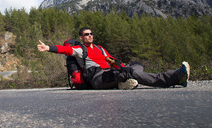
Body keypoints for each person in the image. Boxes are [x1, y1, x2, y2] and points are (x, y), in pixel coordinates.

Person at [37, 27, 190, 90]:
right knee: (130, 72)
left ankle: (120, 84)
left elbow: (113, 60)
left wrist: (123, 66)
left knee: (135, 65)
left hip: (109, 72)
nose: (89, 36)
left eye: (91, 34)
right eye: (86, 34)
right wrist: (48, 47)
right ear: (81, 37)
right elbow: (65, 49)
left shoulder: (100, 48)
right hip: (97, 77)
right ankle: (174, 78)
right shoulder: (79, 49)